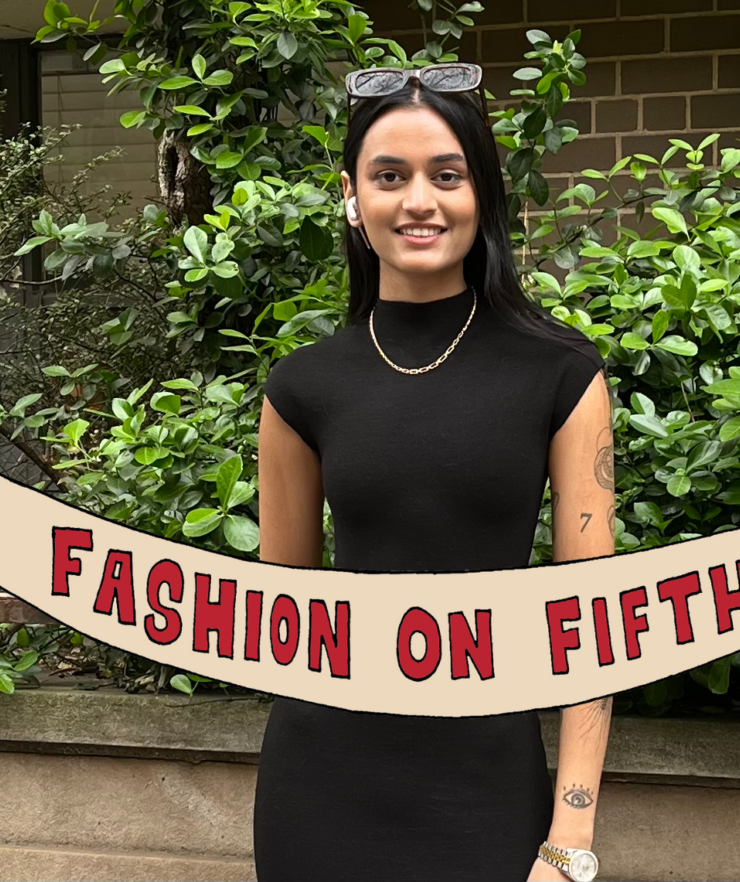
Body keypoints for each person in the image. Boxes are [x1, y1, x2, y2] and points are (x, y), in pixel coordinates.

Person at [253, 61, 616, 882]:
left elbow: (593, 624)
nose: (419, 200)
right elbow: (281, 619)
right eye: (390, 176)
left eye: (445, 175)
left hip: (487, 786)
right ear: (352, 196)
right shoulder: (301, 387)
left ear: (480, 191)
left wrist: (570, 837)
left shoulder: (560, 375)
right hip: (319, 786)